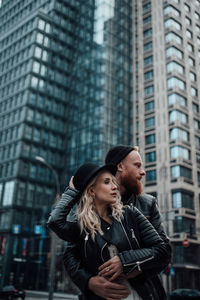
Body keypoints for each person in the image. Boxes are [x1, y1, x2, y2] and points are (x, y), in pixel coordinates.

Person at [47, 163, 170, 300]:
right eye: (107, 182)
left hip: (139, 294)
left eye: (113, 182)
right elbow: (55, 222)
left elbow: (162, 250)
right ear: (92, 191)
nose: (114, 186)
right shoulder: (82, 227)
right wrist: (72, 191)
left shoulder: (130, 214)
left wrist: (125, 261)